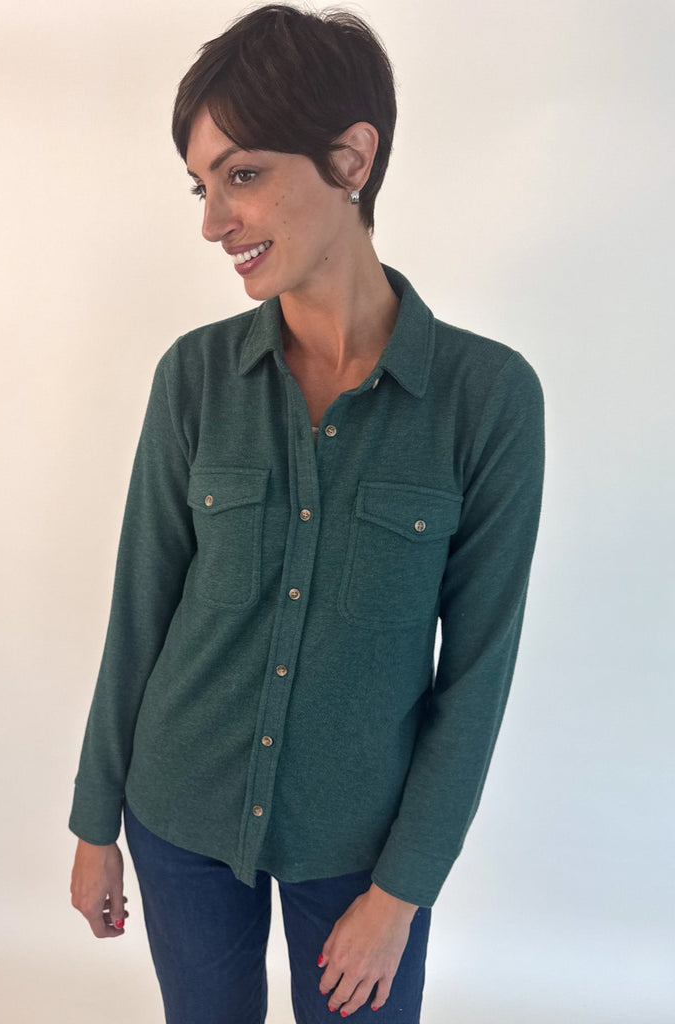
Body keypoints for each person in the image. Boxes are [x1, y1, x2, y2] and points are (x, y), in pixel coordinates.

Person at [69, 5, 544, 1022]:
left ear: (351, 158)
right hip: (181, 818)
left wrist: (401, 893)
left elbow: (477, 676)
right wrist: (93, 819)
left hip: (360, 855)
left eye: (241, 175)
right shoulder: (195, 377)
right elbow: (139, 610)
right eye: (201, 187)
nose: (213, 222)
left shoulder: (487, 399)